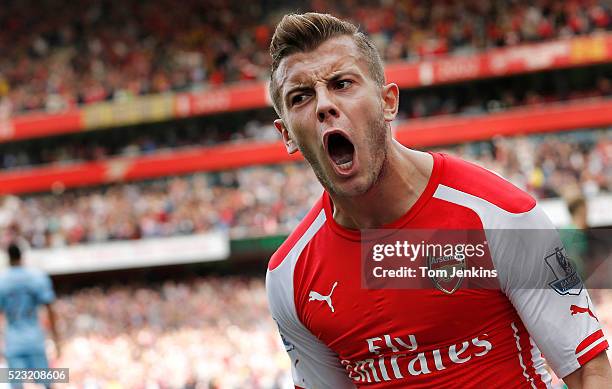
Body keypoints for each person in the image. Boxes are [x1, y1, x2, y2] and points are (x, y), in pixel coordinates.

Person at [265, 12, 611, 388]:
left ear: (388, 102)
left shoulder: (497, 216)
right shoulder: (289, 276)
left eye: (342, 83)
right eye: (301, 97)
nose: (323, 106)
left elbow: (588, 372)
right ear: (286, 135)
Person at [0, 243, 60, 389]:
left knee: (16, 385)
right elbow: (50, 307)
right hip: (35, 340)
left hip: (13, 342)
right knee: (47, 384)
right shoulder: (36, 276)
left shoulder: (2, 281)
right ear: (22, 256)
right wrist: (57, 338)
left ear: (8, 258)